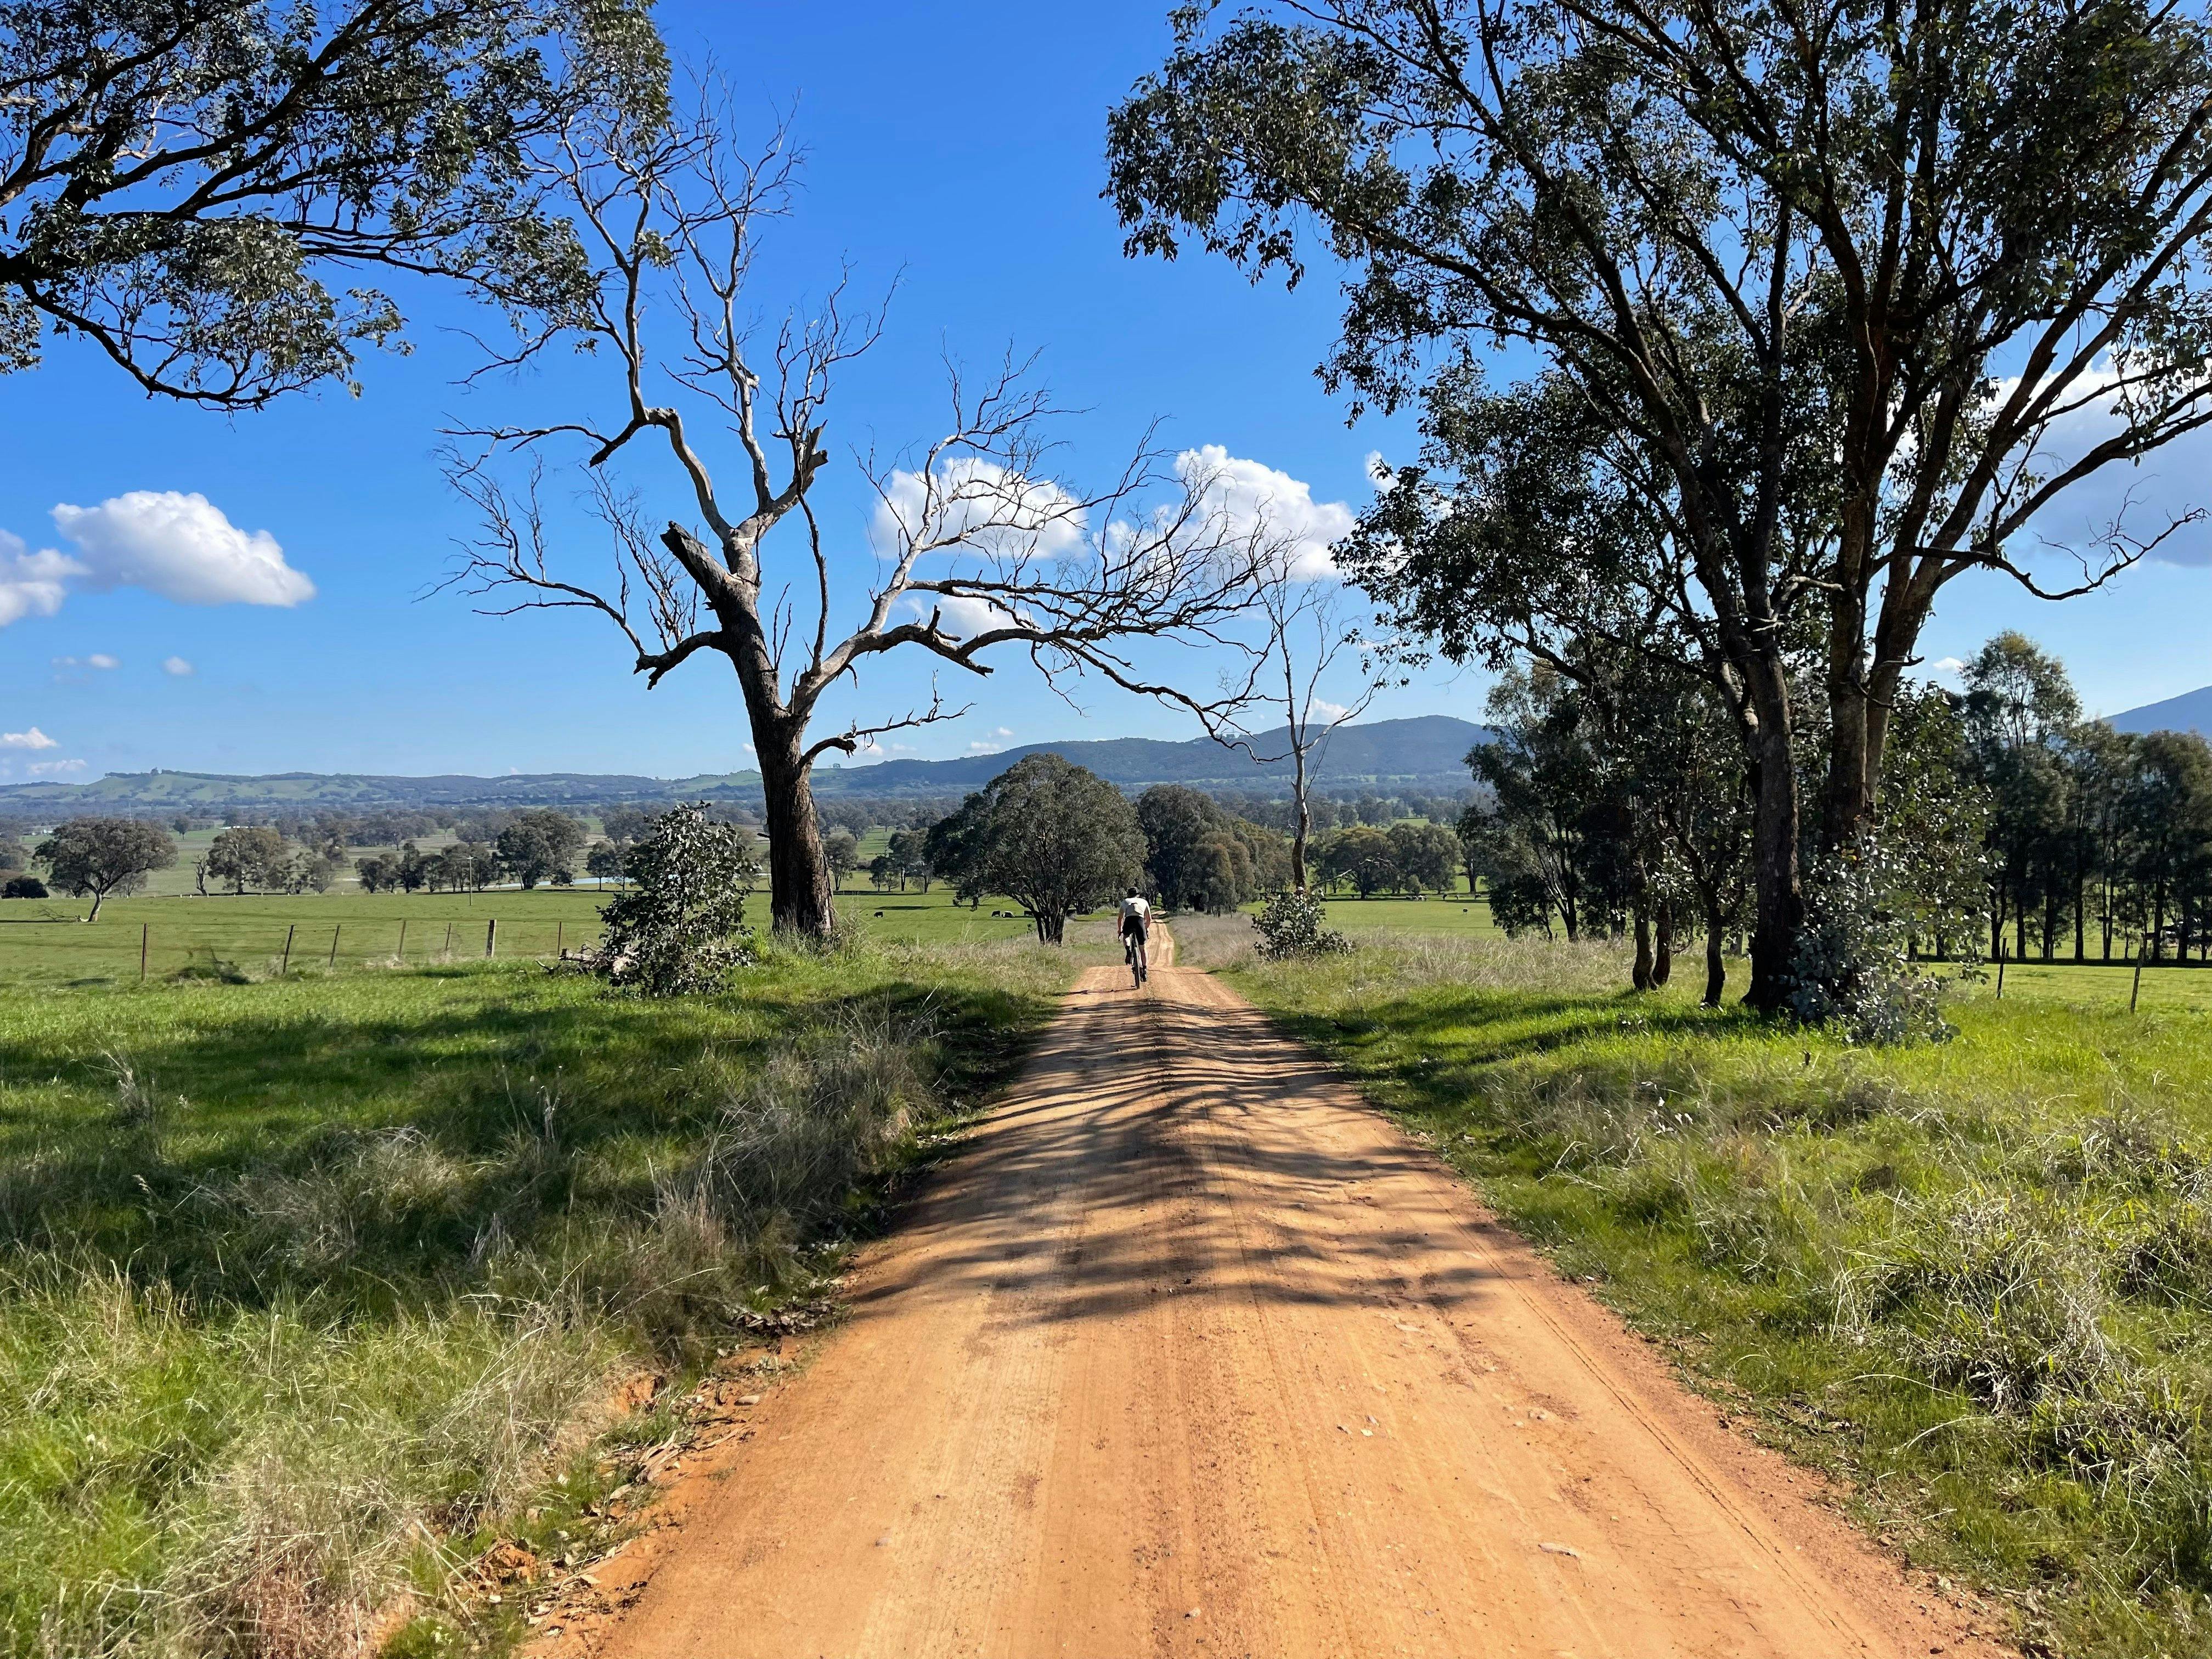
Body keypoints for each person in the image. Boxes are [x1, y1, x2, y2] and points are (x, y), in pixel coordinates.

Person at [1119, 886, 1152, 984]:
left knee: (1126, 936)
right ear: (1139, 895)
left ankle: (1128, 950)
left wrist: (1120, 930)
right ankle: (1145, 970)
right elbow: (1149, 918)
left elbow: (1120, 918)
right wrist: (1146, 929)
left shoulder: (1125, 901)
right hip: (1140, 922)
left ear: (1129, 894)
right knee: (1143, 948)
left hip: (1129, 921)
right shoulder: (1144, 902)